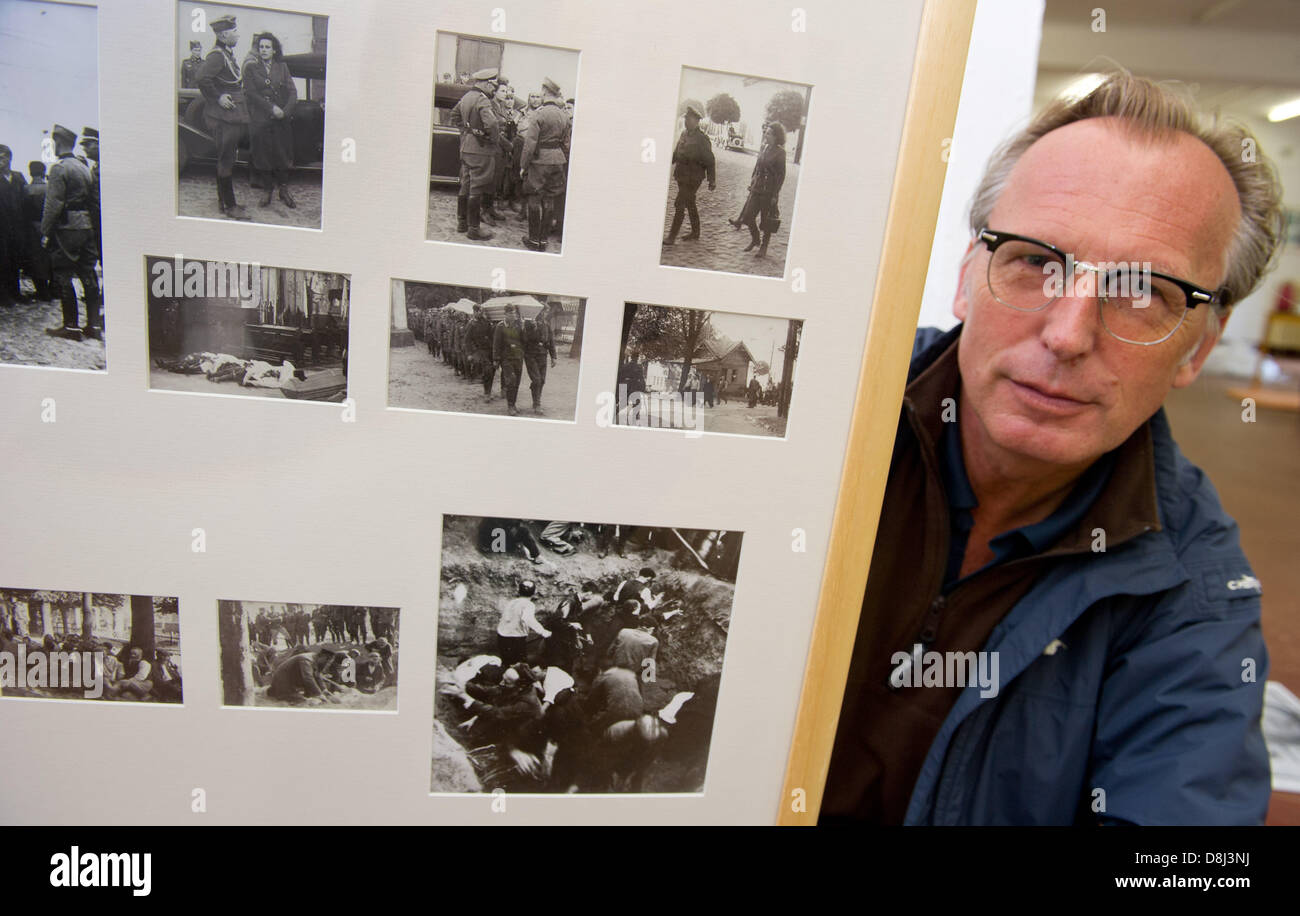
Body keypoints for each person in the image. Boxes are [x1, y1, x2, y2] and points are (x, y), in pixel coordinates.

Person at [820, 72, 1282, 826]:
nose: (1067, 335)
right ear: (970, 277)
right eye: (1036, 261)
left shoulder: (1193, 589)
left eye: (1143, 292)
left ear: (1199, 347)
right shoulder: (810, 416)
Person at [40, 125, 101, 340]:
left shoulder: (59, 168)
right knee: (88, 274)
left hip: (66, 228)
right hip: (86, 226)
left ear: (57, 142)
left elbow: (53, 204)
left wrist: (45, 231)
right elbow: (93, 201)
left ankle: (71, 327)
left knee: (64, 275)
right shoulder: (84, 167)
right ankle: (93, 326)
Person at [196, 15, 251, 220]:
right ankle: (230, 206)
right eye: (234, 31)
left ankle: (223, 202)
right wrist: (218, 97)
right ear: (223, 34)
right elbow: (202, 78)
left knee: (226, 158)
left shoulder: (226, 53)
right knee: (226, 160)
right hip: (224, 117)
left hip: (232, 115)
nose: (237, 34)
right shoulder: (217, 56)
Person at [242, 31, 297, 209]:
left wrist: (285, 111)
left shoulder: (282, 67)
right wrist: (270, 108)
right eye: (261, 47)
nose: (264, 50)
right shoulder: (251, 68)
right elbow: (250, 93)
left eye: (268, 47)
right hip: (261, 119)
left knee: (282, 155)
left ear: (274, 50)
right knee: (263, 155)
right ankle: (267, 190)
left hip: (281, 119)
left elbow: (293, 92)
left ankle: (283, 190)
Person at [448, 68, 500, 240]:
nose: (494, 90)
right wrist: (492, 140)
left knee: (466, 184)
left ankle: (462, 222)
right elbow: (492, 124)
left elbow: (454, 115)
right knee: (476, 188)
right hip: (480, 149)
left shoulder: (466, 97)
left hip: (466, 147)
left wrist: (467, 131)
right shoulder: (482, 100)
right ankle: (474, 229)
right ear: (485, 83)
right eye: (493, 86)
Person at [518, 77, 569, 252]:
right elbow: (566, 142)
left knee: (534, 197)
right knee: (549, 199)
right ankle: (543, 241)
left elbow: (530, 143)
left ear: (545, 92)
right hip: (558, 160)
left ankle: (533, 240)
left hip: (539, 161)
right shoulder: (564, 115)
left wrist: (523, 165)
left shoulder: (539, 114)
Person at [730, 122, 786, 258]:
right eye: (765, 132)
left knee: (766, 220)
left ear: (775, 136)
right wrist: (753, 180)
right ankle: (755, 239)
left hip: (769, 191)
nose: (765, 135)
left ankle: (763, 247)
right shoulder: (764, 147)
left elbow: (781, 175)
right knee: (748, 217)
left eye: (768, 133)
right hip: (757, 188)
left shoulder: (780, 153)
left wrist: (775, 194)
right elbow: (757, 167)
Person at [664, 104, 715, 246]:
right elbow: (676, 152)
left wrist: (712, 180)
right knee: (690, 202)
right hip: (681, 175)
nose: (686, 121)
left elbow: (710, 160)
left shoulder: (702, 139)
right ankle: (695, 232)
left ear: (697, 121)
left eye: (689, 119)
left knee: (680, 203)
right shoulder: (684, 134)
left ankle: (672, 237)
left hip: (693, 178)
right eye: (686, 118)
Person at [496, 579, 550, 665]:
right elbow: (527, 619)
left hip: (502, 636)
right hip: (515, 639)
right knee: (520, 667)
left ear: (519, 591)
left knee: (506, 664)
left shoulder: (511, 602)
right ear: (534, 592)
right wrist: (543, 632)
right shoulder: (528, 604)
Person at [0, 144, 26, 306]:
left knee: (15, 259)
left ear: (9, 158)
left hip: (17, 227)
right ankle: (3, 296)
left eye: (2, 157)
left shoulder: (18, 177)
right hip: (1, 227)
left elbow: (25, 201)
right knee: (3, 260)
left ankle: (16, 292)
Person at [22, 162, 50, 301]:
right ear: (43, 171)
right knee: (49, 258)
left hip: (32, 228)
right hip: (48, 227)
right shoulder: (49, 188)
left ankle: (42, 291)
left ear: (30, 172)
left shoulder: (26, 189)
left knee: (35, 260)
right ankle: (52, 291)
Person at [523, 302, 557, 413]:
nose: (544, 314)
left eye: (546, 311)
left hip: (543, 355)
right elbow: (526, 339)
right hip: (531, 356)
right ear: (538, 311)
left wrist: (553, 357)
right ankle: (537, 405)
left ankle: (536, 401)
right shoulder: (528, 323)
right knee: (537, 380)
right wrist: (533, 328)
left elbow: (551, 341)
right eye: (543, 311)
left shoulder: (546, 324)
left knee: (541, 380)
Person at [493, 303, 526, 415]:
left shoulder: (518, 325)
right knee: (511, 380)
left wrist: (523, 328)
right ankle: (510, 406)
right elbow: (496, 344)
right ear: (505, 314)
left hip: (518, 358)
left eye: (514, 313)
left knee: (517, 382)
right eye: (511, 313)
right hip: (506, 359)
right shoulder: (500, 326)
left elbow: (524, 341)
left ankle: (514, 404)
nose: (513, 315)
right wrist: (496, 359)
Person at [78, 128, 100, 266]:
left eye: (88, 145)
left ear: (99, 144)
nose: (85, 149)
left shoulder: (106, 166)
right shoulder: (95, 167)